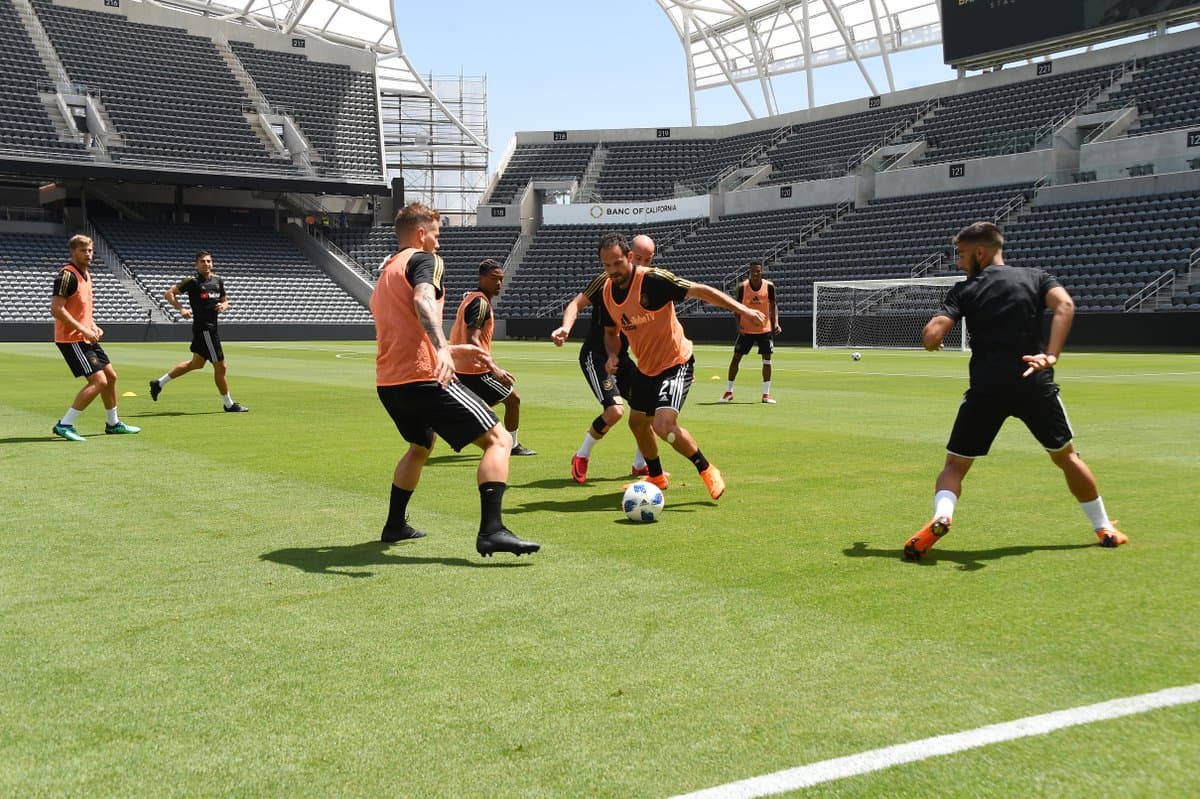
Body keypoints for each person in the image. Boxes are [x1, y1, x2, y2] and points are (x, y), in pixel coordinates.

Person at [904, 221, 1127, 561]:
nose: (958, 262)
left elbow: (932, 335)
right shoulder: (1036, 277)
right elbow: (1065, 306)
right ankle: (1103, 528)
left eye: (962, 255)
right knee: (1067, 458)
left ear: (981, 252)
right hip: (1032, 382)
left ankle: (942, 516)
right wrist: (1050, 355)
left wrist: (934, 340)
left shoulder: (964, 289)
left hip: (986, 389)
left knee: (955, 465)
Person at [370, 202, 538, 557]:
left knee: (420, 446)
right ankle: (492, 531)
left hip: (388, 381)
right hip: (422, 379)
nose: (438, 243)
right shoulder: (424, 260)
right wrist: (442, 350)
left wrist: (451, 348)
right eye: (436, 234)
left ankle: (394, 524)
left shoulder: (387, 270)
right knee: (499, 440)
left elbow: (403, 325)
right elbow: (422, 299)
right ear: (420, 234)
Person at [595, 232, 767, 500]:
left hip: (676, 361)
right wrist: (613, 355)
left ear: (629, 257)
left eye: (617, 263)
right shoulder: (607, 292)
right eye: (606, 266)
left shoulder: (653, 281)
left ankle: (707, 469)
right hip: (646, 367)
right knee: (638, 423)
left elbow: (701, 291)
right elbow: (610, 332)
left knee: (663, 425)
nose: (613, 271)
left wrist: (743, 311)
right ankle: (656, 476)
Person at [551, 233, 654, 483]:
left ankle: (640, 465)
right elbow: (575, 305)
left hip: (622, 357)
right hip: (595, 356)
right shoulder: (605, 281)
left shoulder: (649, 284)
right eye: (637, 257)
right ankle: (581, 456)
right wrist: (566, 328)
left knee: (647, 409)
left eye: (646, 259)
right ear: (630, 255)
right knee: (615, 411)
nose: (640, 263)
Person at [50, 234, 140, 441]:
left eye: (90, 250)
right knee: (98, 381)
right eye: (83, 250)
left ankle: (113, 423)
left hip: (85, 337)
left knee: (110, 377)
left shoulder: (87, 275)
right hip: (71, 339)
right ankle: (65, 424)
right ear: (72, 252)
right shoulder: (67, 276)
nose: (88, 254)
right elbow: (56, 309)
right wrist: (83, 329)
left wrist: (92, 326)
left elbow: (81, 310)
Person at [449, 259, 535, 456]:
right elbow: (472, 339)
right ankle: (512, 445)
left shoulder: (471, 298)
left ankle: (462, 425)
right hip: (476, 369)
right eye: (494, 278)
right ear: (482, 279)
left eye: (501, 279)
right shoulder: (480, 303)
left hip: (461, 367)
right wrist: (493, 367)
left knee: (482, 405)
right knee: (513, 400)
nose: (499, 283)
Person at [148, 251, 248, 413]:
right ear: (197, 264)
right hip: (205, 329)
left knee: (196, 364)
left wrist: (225, 306)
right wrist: (181, 309)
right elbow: (169, 293)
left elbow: (224, 300)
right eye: (202, 261)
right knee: (221, 367)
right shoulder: (192, 281)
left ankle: (159, 383)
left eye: (209, 261)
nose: (206, 264)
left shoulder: (218, 280)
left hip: (211, 327)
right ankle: (228, 404)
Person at [719, 260, 782, 404]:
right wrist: (738, 325)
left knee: (767, 360)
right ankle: (728, 392)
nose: (755, 274)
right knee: (736, 358)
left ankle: (765, 395)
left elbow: (773, 305)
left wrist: (776, 322)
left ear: (761, 272)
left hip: (764, 329)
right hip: (746, 330)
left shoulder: (769, 287)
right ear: (749, 272)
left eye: (758, 271)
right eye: (753, 271)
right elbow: (736, 307)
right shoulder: (742, 287)